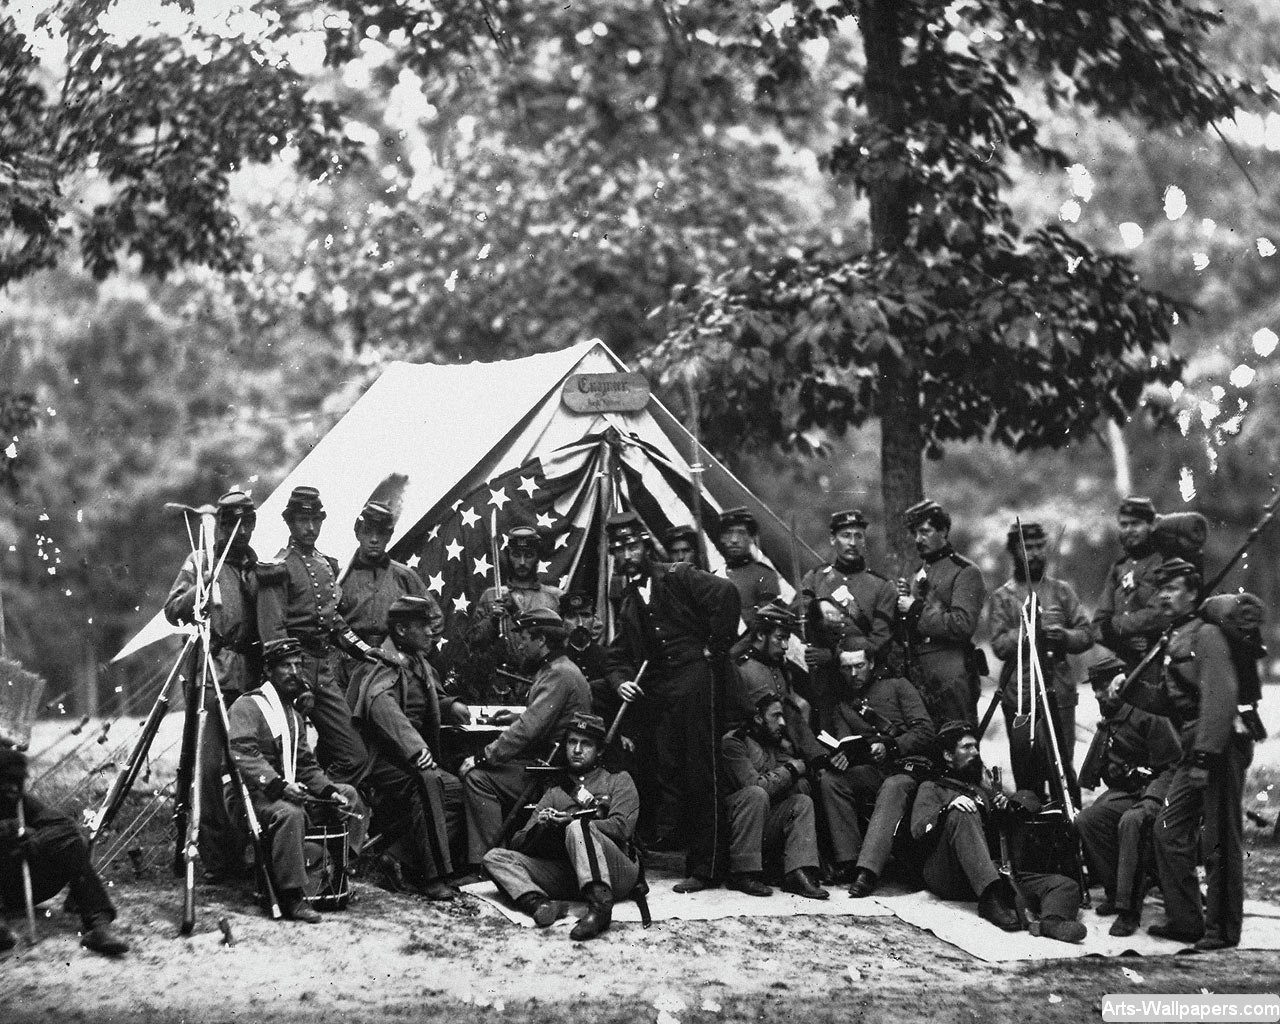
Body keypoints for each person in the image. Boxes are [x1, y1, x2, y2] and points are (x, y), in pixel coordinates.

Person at [1109, 558, 1253, 950]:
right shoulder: (1176, 636)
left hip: (1219, 745)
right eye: (1161, 589)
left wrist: (1205, 758)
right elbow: (1174, 702)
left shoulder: (1206, 635)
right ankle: (1186, 921)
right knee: (1168, 828)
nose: (1164, 596)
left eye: (1172, 589)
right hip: (1195, 744)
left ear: (1192, 593)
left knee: (1220, 838)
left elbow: (1218, 699)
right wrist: (1127, 691)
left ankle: (1222, 930)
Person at [603, 511, 740, 891]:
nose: (627, 554)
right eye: (619, 549)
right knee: (672, 772)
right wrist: (620, 683)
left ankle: (708, 869)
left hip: (699, 681)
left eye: (632, 545)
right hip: (664, 693)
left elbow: (727, 594)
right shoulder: (629, 601)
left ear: (645, 544)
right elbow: (615, 657)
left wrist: (716, 647)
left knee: (703, 770)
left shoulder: (677, 574)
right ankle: (681, 854)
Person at [256, 486, 393, 784]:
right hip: (291, 672)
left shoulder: (325, 565)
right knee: (290, 758)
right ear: (289, 523)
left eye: (316, 520)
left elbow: (334, 622)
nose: (310, 528)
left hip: (323, 671)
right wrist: (295, 682)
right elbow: (274, 634)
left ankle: (323, 802)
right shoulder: (277, 568)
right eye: (302, 521)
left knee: (354, 755)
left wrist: (364, 651)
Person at [228, 638, 365, 924]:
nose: (293, 672)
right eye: (284, 666)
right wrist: (280, 786)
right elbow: (242, 754)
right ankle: (291, 896)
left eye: (296, 665)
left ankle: (336, 873)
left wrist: (328, 791)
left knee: (348, 795)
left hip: (286, 789)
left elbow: (305, 764)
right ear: (268, 670)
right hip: (252, 796)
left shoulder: (293, 713)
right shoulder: (248, 706)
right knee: (290, 813)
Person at [910, 722, 1087, 943]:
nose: (975, 753)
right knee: (963, 811)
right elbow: (919, 831)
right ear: (947, 755)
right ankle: (990, 896)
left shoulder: (983, 786)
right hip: (949, 873)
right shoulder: (932, 787)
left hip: (991, 869)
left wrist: (1003, 807)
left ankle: (1052, 921)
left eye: (976, 747)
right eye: (966, 748)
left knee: (1065, 885)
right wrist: (948, 809)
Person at [163, 488, 261, 880]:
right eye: (229, 523)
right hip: (211, 675)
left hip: (251, 678)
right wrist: (199, 589)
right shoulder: (200, 560)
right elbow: (173, 610)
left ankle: (251, 848)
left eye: (244, 523)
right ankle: (216, 857)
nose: (237, 532)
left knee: (249, 764)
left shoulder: (257, 567)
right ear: (219, 524)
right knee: (204, 768)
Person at [484, 712, 641, 941]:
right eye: (572, 742)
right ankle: (541, 905)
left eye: (585, 744)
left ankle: (600, 908)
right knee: (494, 857)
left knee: (577, 827)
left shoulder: (618, 780)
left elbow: (621, 828)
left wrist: (572, 821)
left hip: (617, 873)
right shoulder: (555, 792)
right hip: (572, 877)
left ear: (599, 751)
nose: (577, 750)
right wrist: (541, 826)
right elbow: (519, 842)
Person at [349, 596, 464, 901]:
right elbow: (379, 703)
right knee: (429, 782)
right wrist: (415, 748)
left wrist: (451, 706)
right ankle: (433, 876)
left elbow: (423, 697)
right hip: (378, 760)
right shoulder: (383, 660)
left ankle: (399, 857)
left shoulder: (417, 661)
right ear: (401, 630)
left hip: (404, 759)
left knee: (457, 790)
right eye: (423, 626)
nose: (431, 632)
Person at [459, 608, 591, 863]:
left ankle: (487, 861)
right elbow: (543, 716)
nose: (519, 645)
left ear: (540, 640)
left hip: (552, 774)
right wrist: (518, 716)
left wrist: (481, 757)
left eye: (523, 638)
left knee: (478, 778)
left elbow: (528, 730)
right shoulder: (561, 668)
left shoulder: (557, 673)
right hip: (552, 764)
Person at [816, 648, 936, 895]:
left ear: (871, 663)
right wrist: (841, 757)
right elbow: (845, 742)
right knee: (832, 781)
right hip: (874, 770)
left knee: (893, 787)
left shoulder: (898, 686)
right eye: (846, 668)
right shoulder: (843, 704)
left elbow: (925, 730)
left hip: (908, 767)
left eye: (859, 666)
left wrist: (892, 745)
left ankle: (868, 871)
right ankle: (848, 861)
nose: (853, 673)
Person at [986, 521, 1093, 799]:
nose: (1034, 554)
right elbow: (998, 645)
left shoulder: (1061, 591)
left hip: (1058, 693)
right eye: (1026, 548)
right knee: (1026, 773)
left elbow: (1086, 634)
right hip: (1019, 696)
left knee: (1061, 769)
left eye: (1038, 547)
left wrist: (1063, 636)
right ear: (1014, 552)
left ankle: (1068, 834)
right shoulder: (1002, 597)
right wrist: (1027, 630)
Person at [1075, 656, 1181, 937]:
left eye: (1101, 686)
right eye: (1094, 687)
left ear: (1121, 682)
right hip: (1132, 790)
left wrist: (1151, 800)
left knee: (1132, 822)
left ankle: (1128, 910)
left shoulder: (1149, 712)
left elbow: (1174, 766)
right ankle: (1115, 889)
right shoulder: (1111, 715)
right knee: (1088, 819)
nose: (1097, 693)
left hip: (1162, 792)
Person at [0, 747, 129, 955]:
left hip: (24, 887)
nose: (13, 790)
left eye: (16, 784)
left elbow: (62, 825)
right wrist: (8, 831)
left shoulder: (21, 802)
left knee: (69, 840)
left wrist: (32, 838)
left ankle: (99, 925)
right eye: (6, 783)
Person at [720, 695, 829, 899]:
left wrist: (800, 767)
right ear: (759, 717)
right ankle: (743, 873)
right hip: (732, 830)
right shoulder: (734, 742)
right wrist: (790, 768)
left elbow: (793, 769)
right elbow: (755, 785)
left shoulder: (770, 742)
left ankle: (797, 871)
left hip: (759, 826)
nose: (782, 722)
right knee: (756, 793)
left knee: (801, 802)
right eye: (776, 716)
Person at [796, 509, 898, 725]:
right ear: (833, 539)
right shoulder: (816, 578)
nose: (852, 542)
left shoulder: (881, 586)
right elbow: (796, 614)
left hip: (862, 688)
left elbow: (880, 643)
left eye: (858, 536)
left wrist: (834, 656)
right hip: (823, 687)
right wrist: (817, 605)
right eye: (845, 536)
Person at [898, 499, 986, 725]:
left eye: (925, 532)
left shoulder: (965, 572)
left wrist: (915, 609)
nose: (918, 539)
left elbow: (962, 624)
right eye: (915, 533)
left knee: (959, 743)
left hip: (951, 673)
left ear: (943, 531)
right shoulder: (917, 573)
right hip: (919, 674)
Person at [727, 601, 823, 761]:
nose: (785, 646)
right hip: (758, 757)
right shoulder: (741, 670)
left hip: (787, 752)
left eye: (787, 639)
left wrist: (818, 755)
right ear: (760, 635)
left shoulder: (779, 667)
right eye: (780, 638)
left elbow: (793, 718)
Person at [1091, 497, 1166, 675]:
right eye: (1124, 525)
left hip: (1162, 662)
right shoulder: (1119, 569)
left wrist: (1113, 628)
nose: (1129, 530)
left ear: (1152, 525)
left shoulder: (1166, 563)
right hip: (1127, 667)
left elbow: (1160, 614)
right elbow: (1097, 626)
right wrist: (1122, 641)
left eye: (1136, 524)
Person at [715, 507, 780, 631]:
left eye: (741, 532)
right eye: (729, 533)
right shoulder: (715, 575)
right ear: (722, 538)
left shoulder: (765, 575)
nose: (734, 540)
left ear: (751, 538)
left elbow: (766, 624)